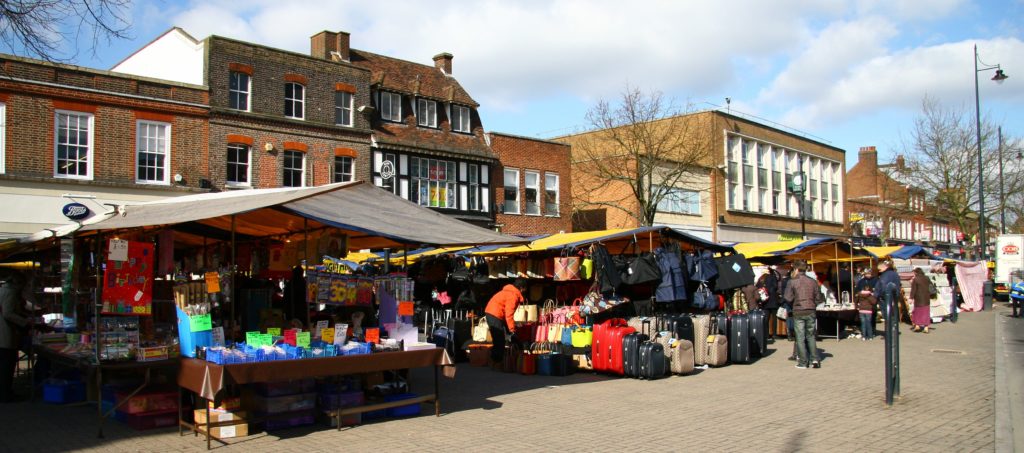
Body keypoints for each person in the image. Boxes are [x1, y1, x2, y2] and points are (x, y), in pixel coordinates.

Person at [783, 261, 823, 369]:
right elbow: (819, 298)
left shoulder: (792, 282)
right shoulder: (813, 282)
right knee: (811, 336)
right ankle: (815, 359)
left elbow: (787, 297)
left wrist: (793, 302)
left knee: (800, 337)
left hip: (799, 310)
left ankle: (803, 362)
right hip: (811, 310)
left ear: (796, 269)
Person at [0, 270, 32, 403]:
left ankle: (5, 392)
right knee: (7, 365)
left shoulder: (2, 290)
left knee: (4, 365)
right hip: (5, 333)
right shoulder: (11, 293)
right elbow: (8, 313)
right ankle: (5, 394)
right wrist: (25, 322)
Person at [484, 278, 527, 369]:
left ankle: (497, 361)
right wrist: (512, 330)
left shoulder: (510, 291)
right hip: (494, 314)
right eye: (525, 288)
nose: (525, 291)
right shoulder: (513, 296)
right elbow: (509, 315)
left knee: (500, 338)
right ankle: (496, 362)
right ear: (521, 288)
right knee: (499, 339)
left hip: (494, 313)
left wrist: (511, 329)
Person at [874, 259, 901, 326]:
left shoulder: (886, 275)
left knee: (887, 316)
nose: (879, 270)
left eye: (880, 269)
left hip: (886, 297)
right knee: (892, 315)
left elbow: (884, 286)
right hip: (893, 296)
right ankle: (893, 330)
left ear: (885, 266)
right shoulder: (894, 273)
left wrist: (878, 295)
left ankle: (889, 333)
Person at [855, 274, 877, 340]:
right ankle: (870, 336)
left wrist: (857, 306)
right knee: (869, 324)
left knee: (863, 324)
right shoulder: (870, 295)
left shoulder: (859, 294)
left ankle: (864, 336)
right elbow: (874, 302)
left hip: (861, 310)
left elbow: (856, 301)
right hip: (868, 310)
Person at [909, 268, 932, 333]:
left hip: (918, 299)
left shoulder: (915, 279)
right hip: (926, 298)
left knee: (917, 313)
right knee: (926, 313)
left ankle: (917, 326)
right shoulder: (927, 278)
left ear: (916, 273)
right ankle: (926, 327)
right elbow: (931, 286)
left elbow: (913, 290)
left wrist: (911, 298)